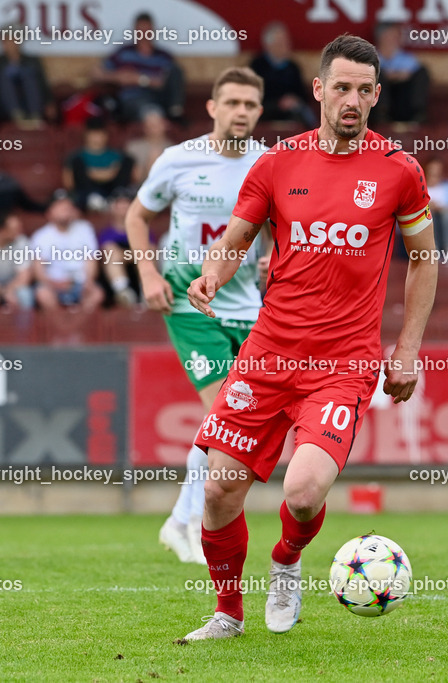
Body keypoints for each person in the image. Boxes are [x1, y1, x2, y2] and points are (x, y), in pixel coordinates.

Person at [179, 35, 437, 640]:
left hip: (342, 363)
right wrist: (213, 273)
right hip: (267, 355)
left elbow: (425, 260)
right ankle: (227, 613)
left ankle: (288, 561)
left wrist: (406, 351)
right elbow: (238, 237)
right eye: (340, 87)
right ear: (319, 90)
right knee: (218, 488)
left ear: (376, 96)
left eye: (363, 90)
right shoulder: (275, 163)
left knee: (302, 491)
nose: (352, 99)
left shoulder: (399, 171)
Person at [126, 67, 269, 567]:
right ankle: (187, 520)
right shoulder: (178, 160)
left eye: (250, 105)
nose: (241, 112)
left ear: (259, 111)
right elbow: (136, 217)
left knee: (238, 421)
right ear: (212, 108)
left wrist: (276, 255)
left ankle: (180, 518)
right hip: (190, 301)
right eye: (231, 103)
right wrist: (148, 277)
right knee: (226, 413)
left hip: (249, 304)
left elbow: (279, 225)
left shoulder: (270, 163)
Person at [94, 12, 186, 122]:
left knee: (175, 71)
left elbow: (167, 81)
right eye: (140, 31)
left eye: (147, 31)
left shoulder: (164, 56)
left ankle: (175, 115)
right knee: (151, 112)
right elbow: (96, 73)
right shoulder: (123, 53)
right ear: (134, 31)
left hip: (159, 98)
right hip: (133, 99)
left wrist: (139, 79)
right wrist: (118, 76)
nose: (143, 35)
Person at [31, 190, 105, 313]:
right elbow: (38, 270)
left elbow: (91, 260)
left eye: (68, 206)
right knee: (43, 294)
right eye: (60, 206)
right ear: (50, 212)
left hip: (80, 283)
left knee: (97, 294)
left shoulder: (85, 229)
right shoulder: (41, 236)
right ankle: (60, 329)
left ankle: (79, 329)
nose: (65, 209)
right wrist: (53, 284)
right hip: (54, 284)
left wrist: (88, 281)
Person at [249, 22, 315, 127]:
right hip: (266, 110)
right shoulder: (257, 66)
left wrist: (293, 100)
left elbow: (303, 95)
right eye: (280, 43)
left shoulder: (293, 67)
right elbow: (253, 96)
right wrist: (278, 103)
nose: (286, 45)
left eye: (287, 42)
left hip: (291, 111)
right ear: (268, 45)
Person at [63, 117, 134, 212]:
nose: (97, 138)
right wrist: (101, 174)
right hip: (87, 193)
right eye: (93, 134)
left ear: (106, 135)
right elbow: (69, 183)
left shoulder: (117, 155)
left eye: (100, 134)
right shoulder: (76, 156)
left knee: (127, 160)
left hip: (112, 190)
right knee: (77, 163)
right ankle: (94, 200)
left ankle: (116, 200)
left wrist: (97, 173)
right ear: (86, 135)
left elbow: (132, 177)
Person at [0, 31, 55, 125]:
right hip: (6, 107)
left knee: (28, 75)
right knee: (5, 77)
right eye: (5, 41)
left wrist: (49, 102)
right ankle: (18, 117)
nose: (8, 44)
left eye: (11, 40)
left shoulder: (32, 61)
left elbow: (43, 85)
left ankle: (34, 117)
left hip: (30, 102)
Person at [372, 23, 429, 124]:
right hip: (381, 101)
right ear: (380, 38)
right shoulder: (371, 57)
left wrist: (394, 76)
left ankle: (417, 115)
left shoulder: (407, 58)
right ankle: (382, 115)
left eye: (396, 37)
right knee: (377, 75)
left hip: (403, 99)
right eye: (389, 36)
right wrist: (393, 75)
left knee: (421, 72)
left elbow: (413, 72)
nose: (393, 40)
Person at [98, 188, 141, 307]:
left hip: (139, 274)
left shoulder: (143, 230)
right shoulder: (106, 233)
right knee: (110, 251)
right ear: (113, 208)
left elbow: (151, 252)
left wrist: (123, 255)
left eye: (126, 204)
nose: (123, 208)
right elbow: (107, 254)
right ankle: (123, 292)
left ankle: (145, 292)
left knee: (146, 252)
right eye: (119, 204)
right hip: (114, 281)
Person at [125, 106, 172, 185]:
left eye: (156, 124)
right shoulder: (133, 147)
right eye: (149, 125)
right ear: (144, 127)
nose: (152, 128)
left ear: (165, 125)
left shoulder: (173, 148)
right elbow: (134, 178)